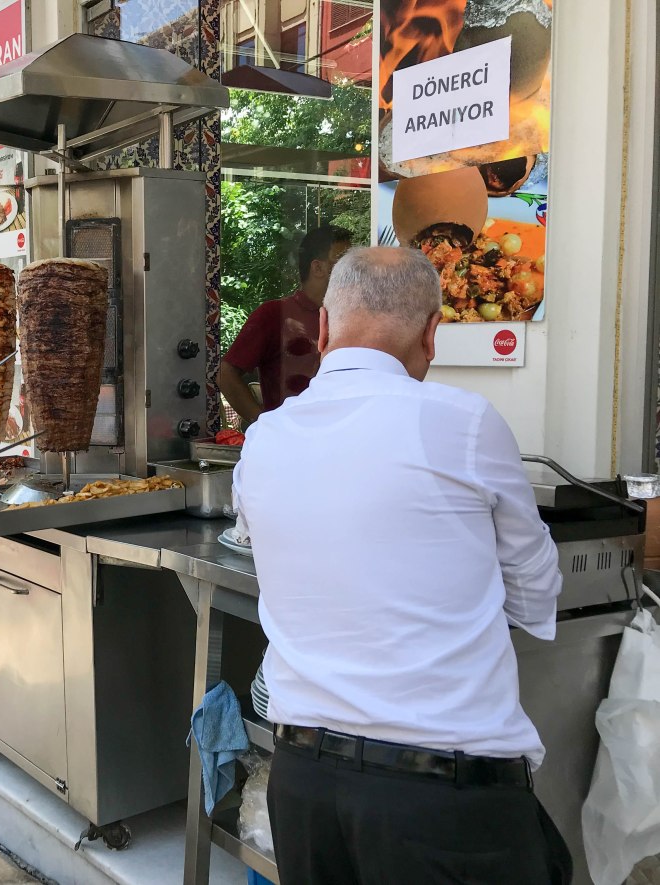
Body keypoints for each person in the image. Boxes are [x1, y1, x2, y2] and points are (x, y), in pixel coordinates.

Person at [235, 247, 571, 885]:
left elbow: (271, 547)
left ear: (326, 330)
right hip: (441, 797)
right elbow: (533, 594)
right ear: (432, 333)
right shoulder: (465, 422)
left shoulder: (265, 438)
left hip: (304, 788)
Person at [219, 226, 354, 428]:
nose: (351, 270)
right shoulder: (274, 314)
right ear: (317, 268)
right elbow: (225, 373)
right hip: (292, 442)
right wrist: (264, 424)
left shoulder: (352, 317)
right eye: (343, 262)